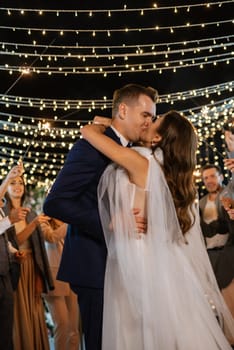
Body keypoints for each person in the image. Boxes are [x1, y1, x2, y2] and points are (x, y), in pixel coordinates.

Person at [81, 110, 234, 349]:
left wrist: (109, 124)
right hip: (163, 261)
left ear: (158, 139)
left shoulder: (141, 162)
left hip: (138, 259)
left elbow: (88, 131)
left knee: (139, 332)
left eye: (154, 121)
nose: (148, 122)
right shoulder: (167, 171)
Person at [43, 83, 158, 350]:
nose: (149, 122)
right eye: (145, 115)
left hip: (123, 264)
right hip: (94, 264)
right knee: (100, 342)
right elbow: (55, 202)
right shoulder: (90, 147)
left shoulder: (125, 148)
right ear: (123, 109)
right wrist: (106, 221)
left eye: (152, 117)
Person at [3, 174, 54, 350]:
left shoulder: (30, 212)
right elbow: (12, 243)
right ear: (5, 188)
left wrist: (40, 275)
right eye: (12, 183)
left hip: (33, 267)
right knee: (18, 314)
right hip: (15, 268)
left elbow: (40, 248)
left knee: (34, 311)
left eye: (21, 183)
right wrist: (33, 225)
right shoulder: (5, 214)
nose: (18, 186)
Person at [0, 164, 28, 350]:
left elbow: (3, 239)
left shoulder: (1, 210)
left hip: (4, 273)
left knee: (5, 327)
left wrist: (12, 251)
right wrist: (10, 220)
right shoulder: (6, 212)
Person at [41, 217, 80, 350]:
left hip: (73, 276)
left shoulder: (68, 219)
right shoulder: (42, 222)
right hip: (54, 279)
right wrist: (71, 222)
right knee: (62, 324)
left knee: (73, 327)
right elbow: (51, 237)